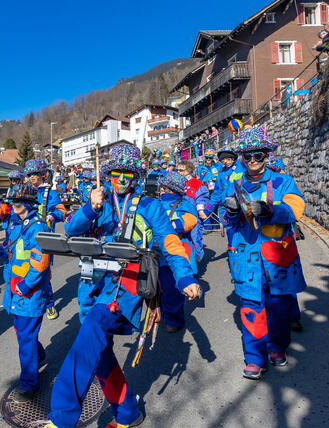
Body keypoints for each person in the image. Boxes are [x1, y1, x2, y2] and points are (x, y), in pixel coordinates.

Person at [45, 144, 200, 428]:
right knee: (100, 353)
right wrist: (90, 209)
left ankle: (62, 417)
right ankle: (128, 414)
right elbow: (71, 230)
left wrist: (185, 277)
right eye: (115, 173)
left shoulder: (150, 206)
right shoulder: (98, 202)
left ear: (136, 176)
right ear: (108, 175)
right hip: (91, 287)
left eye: (127, 173)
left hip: (125, 289)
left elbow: (170, 243)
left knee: (92, 331)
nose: (120, 179)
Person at [222, 126, 307, 380]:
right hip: (246, 256)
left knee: (280, 306)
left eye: (258, 155)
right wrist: (233, 212)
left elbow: (296, 208)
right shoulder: (235, 184)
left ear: (266, 155)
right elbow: (227, 220)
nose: (253, 161)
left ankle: (278, 347)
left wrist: (272, 211)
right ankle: (255, 358)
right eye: (247, 156)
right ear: (242, 158)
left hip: (277, 256)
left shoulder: (283, 181)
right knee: (251, 306)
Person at [0, 184, 51, 402]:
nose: (11, 207)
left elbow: (41, 262)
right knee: (23, 333)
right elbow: (11, 251)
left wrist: (26, 286)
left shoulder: (38, 226)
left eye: (15, 203)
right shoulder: (16, 224)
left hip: (28, 292)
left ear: (27, 204)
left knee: (25, 336)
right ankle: (38, 354)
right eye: (11, 203)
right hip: (15, 289)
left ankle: (30, 384)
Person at [157, 171, 199, 333]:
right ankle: (162, 312)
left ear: (170, 189)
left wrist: (174, 224)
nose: (161, 189)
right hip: (157, 252)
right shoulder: (156, 203)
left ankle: (174, 320)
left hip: (176, 251)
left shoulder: (185, 204)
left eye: (164, 187)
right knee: (157, 286)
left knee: (172, 289)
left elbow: (191, 220)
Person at [24, 159, 66, 320]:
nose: (32, 177)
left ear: (42, 175)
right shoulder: (25, 191)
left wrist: (52, 215)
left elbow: (62, 211)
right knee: (25, 269)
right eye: (29, 174)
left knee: (42, 271)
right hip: (26, 237)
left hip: (44, 238)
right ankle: (31, 300)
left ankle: (49, 304)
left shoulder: (51, 193)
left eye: (34, 174)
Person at [177, 161, 210, 262]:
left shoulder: (197, 183)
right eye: (177, 170)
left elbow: (201, 198)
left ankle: (196, 258)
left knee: (195, 238)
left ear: (188, 171)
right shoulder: (177, 182)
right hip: (179, 215)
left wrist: (200, 210)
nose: (178, 172)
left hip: (193, 216)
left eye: (180, 170)